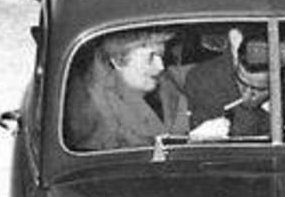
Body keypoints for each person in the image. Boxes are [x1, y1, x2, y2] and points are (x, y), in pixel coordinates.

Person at [65, 28, 226, 151]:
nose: (160, 66)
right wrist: (194, 140)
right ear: (119, 61)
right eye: (151, 57)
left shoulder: (159, 82)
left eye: (161, 56)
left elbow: (196, 73)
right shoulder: (95, 110)